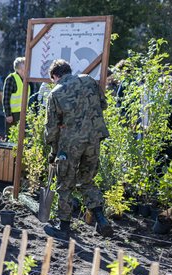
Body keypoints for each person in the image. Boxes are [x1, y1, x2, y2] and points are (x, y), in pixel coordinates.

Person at [44, 59, 113, 239]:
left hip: (70, 144)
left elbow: (51, 129)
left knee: (65, 184)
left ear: (55, 76)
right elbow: (103, 105)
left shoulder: (55, 93)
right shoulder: (89, 81)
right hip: (94, 139)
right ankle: (101, 219)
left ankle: (64, 227)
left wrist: (53, 151)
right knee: (87, 180)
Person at [2, 57, 31, 138]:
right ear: (19, 69)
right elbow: (6, 98)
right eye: (25, 67)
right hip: (13, 115)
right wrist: (8, 114)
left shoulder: (26, 80)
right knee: (11, 137)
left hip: (24, 113)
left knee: (23, 138)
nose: (27, 69)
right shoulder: (11, 79)